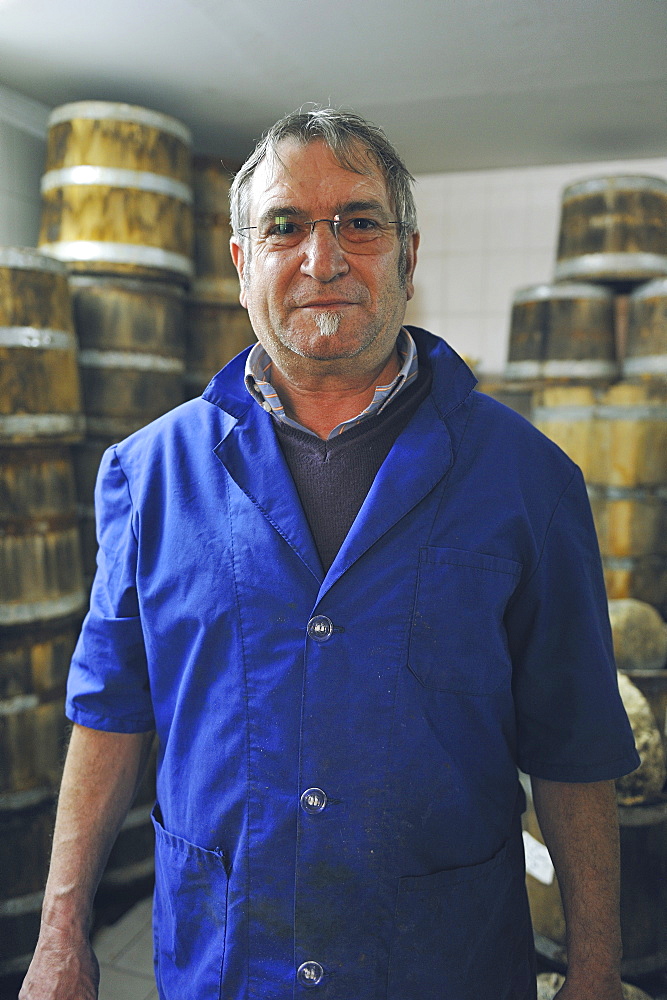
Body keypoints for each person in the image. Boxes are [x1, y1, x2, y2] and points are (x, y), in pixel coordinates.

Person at [20, 107, 639, 1000]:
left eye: (359, 221)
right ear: (241, 265)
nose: (323, 258)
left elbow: (574, 741)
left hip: (441, 963)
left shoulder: (527, 480)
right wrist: (59, 937)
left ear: (409, 256)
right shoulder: (147, 475)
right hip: (227, 962)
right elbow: (110, 711)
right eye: (284, 226)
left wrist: (594, 972)